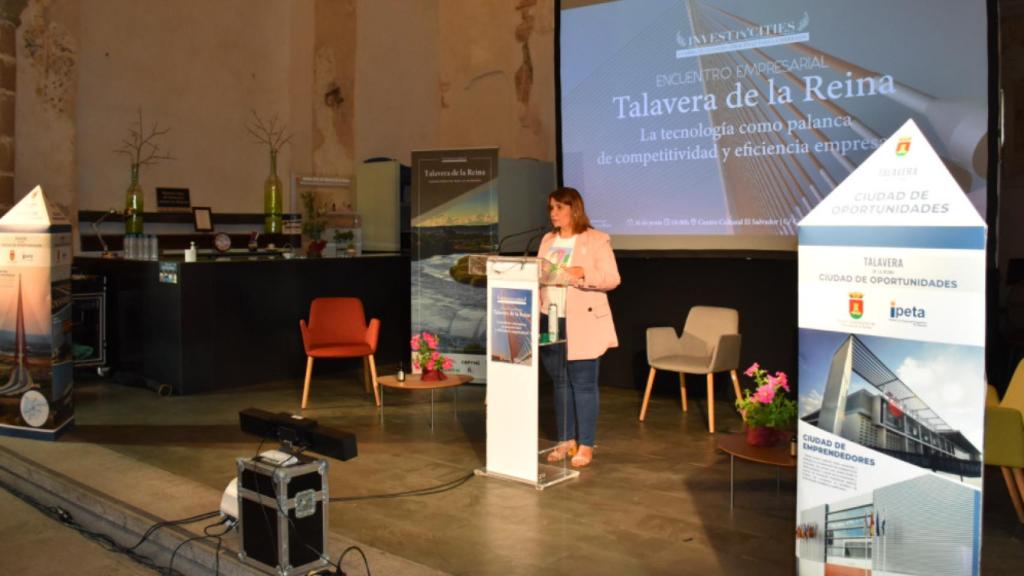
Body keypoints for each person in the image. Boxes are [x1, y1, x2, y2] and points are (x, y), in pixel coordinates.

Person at [538, 187, 620, 468]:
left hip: (583, 321)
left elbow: (612, 278)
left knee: (583, 385)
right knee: (560, 384)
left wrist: (583, 273)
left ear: (574, 209)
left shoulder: (596, 239)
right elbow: (539, 277)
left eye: (559, 208)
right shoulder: (547, 241)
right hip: (551, 319)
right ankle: (565, 440)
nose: (553, 214)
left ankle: (586, 444)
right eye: (551, 208)